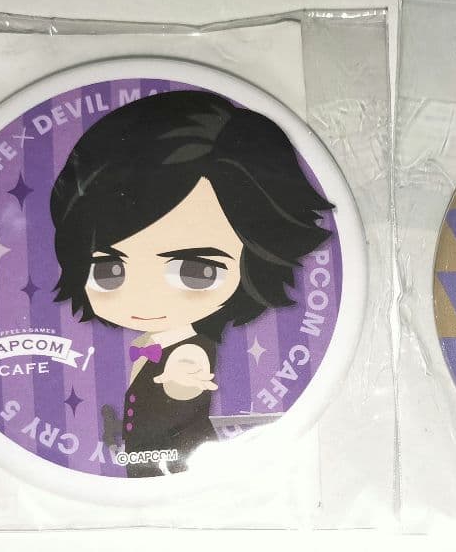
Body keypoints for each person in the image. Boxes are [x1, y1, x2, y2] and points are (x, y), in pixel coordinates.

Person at [50, 90, 334, 477]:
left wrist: (183, 380)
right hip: (148, 468)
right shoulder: (152, 342)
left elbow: (187, 376)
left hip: (177, 471)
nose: (145, 298)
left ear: (257, 256)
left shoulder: (190, 351)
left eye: (193, 271)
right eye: (110, 270)